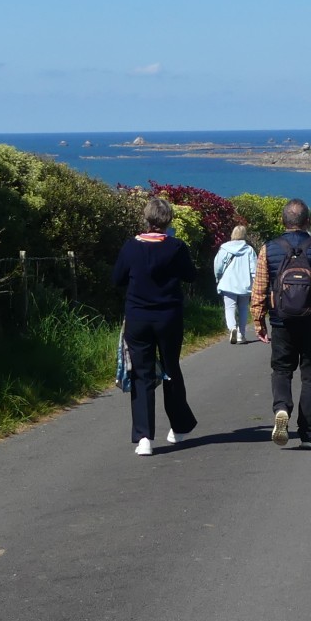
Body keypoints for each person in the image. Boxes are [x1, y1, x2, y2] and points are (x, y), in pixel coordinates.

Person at [251, 199, 311, 449]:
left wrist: (258, 320)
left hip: (282, 321)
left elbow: (259, 288)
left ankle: (281, 408)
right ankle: (309, 434)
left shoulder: (268, 249)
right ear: (308, 222)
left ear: (283, 222)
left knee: (282, 369)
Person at [110, 194, 199, 455]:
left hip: (138, 317)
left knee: (142, 374)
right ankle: (179, 427)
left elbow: (117, 279)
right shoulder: (176, 247)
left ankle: (144, 437)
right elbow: (191, 275)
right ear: (168, 219)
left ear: (146, 218)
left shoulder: (130, 247)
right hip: (169, 317)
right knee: (171, 368)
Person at [212, 223, 257, 343]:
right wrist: (255, 284)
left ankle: (232, 328)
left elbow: (218, 266)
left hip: (228, 283)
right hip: (245, 285)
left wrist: (218, 277)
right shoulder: (249, 250)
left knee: (229, 308)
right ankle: (241, 335)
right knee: (243, 309)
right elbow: (254, 270)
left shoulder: (224, 248)